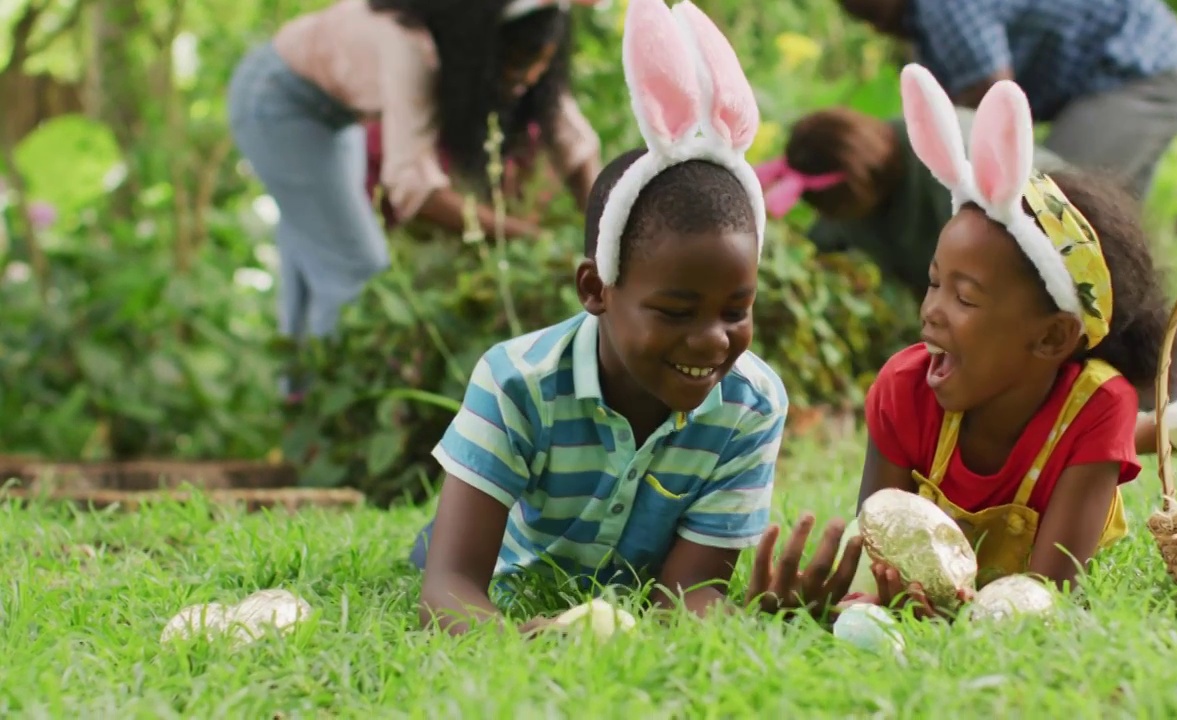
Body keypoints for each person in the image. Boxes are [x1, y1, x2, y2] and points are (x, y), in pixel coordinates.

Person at [410, 0, 863, 637]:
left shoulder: (751, 404)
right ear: (596, 288)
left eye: (737, 310)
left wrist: (759, 616)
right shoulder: (515, 381)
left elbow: (685, 599)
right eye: (676, 311)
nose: (712, 339)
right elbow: (449, 583)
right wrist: (517, 647)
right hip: (511, 579)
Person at [755, 106, 1177, 475]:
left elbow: (1058, 216)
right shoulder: (859, 210)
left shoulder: (950, 159)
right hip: (995, 328)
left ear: (863, 178)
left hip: (1062, 287)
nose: (839, 220)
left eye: (839, 205)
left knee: (1123, 388)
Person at [849, 64, 1177, 612]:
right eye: (935, 283)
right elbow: (872, 548)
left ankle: (1168, 430)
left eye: (965, 298)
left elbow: (1050, 590)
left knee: (1113, 426)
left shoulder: (1098, 407)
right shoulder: (903, 387)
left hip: (1068, 434)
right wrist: (871, 598)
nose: (932, 313)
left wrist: (955, 612)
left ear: (1052, 337)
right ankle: (1166, 429)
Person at [226, 0, 604, 395]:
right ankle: (336, 423)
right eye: (515, 64)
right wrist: (530, 237)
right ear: (481, 47)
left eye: (541, 64)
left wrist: (603, 239)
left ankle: (298, 407)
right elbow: (414, 189)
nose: (527, 78)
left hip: (338, 115)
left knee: (317, 264)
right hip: (280, 103)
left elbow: (574, 143)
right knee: (356, 270)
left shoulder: (514, 49)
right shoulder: (412, 47)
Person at [834, 0, 1177, 201]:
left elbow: (990, 106)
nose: (864, 19)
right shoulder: (919, 23)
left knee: (1051, 207)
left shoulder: (944, 7)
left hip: (1136, 68)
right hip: (1137, 68)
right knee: (1102, 227)